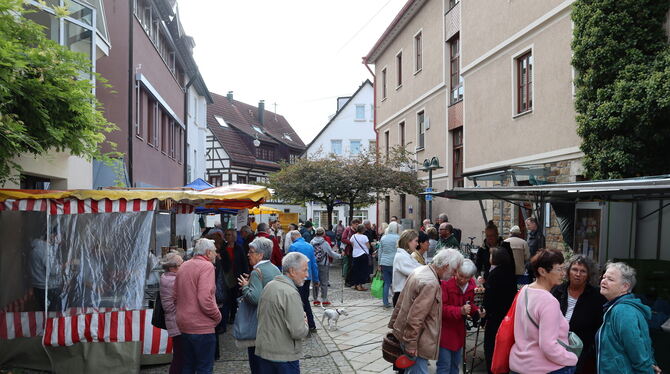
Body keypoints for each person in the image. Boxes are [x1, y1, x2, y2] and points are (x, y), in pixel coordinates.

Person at [389, 248, 464, 374]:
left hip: (411, 336)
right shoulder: (430, 283)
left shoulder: (422, 270)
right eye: (454, 270)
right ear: (446, 266)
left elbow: (403, 303)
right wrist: (411, 343)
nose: (455, 275)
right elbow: (416, 317)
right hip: (417, 340)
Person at [509, 249, 578, 374]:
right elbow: (548, 346)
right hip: (544, 368)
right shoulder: (549, 301)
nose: (563, 273)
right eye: (559, 269)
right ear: (542, 271)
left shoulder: (524, 290)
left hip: (519, 364)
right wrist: (572, 358)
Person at [597, 262, 661, 374]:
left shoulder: (622, 311)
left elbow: (637, 352)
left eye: (610, 279)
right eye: (604, 277)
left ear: (625, 287)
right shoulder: (618, 308)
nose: (603, 281)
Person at [255, 252, 310, 373]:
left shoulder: (269, 286)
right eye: (305, 270)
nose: (307, 275)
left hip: (265, 351)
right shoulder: (290, 293)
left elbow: (260, 315)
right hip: (284, 356)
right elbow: (298, 331)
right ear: (292, 271)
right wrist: (305, 323)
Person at [551, 255, 606, 374]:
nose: (578, 274)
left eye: (583, 271)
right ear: (568, 271)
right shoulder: (557, 290)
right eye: (574, 269)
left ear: (589, 275)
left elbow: (599, 325)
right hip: (556, 345)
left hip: (582, 349)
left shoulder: (596, 296)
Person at [175, 238, 221, 374]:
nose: (216, 254)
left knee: (188, 366)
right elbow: (205, 299)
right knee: (204, 368)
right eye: (214, 251)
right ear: (207, 253)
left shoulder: (184, 265)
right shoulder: (207, 267)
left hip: (184, 323)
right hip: (201, 326)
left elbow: (174, 295)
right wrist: (217, 316)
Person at [236, 237, 282, 374]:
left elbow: (255, 299)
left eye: (251, 251)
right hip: (273, 323)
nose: (248, 254)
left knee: (258, 365)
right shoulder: (274, 268)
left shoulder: (257, 272)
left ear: (260, 255)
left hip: (259, 325)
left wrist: (245, 287)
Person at [438, 259, 482, 374]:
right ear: (455, 271)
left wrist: (477, 311)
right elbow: (441, 308)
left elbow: (470, 304)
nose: (462, 280)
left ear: (471, 276)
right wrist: (460, 310)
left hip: (459, 330)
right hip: (445, 330)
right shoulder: (446, 283)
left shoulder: (472, 285)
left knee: (456, 365)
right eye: (460, 275)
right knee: (444, 365)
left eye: (466, 277)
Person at [482, 246, 517, 374]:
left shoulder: (494, 274)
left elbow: (489, 298)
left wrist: (483, 317)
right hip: (507, 315)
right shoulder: (510, 272)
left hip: (495, 316)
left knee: (491, 346)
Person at [287, 230, 319, 332]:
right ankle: (311, 324)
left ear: (293, 238)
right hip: (307, 277)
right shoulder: (309, 246)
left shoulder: (293, 247)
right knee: (305, 300)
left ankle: (299, 325)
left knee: (297, 301)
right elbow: (314, 263)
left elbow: (289, 264)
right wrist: (316, 279)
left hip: (296, 277)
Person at [160, 251, 184, 374]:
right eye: (181, 264)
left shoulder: (168, 277)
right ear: (172, 268)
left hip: (175, 320)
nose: (184, 266)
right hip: (177, 321)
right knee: (180, 357)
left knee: (179, 356)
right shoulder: (172, 281)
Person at [219, 229, 249, 326]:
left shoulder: (239, 248)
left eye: (229, 235)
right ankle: (225, 316)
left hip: (236, 274)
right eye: (226, 235)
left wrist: (245, 274)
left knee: (234, 297)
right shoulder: (223, 247)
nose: (227, 237)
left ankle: (232, 316)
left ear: (234, 236)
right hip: (225, 275)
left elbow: (244, 262)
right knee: (226, 297)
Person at [310, 227, 341, 306]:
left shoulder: (311, 242)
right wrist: (340, 256)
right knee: (324, 282)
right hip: (323, 264)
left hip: (314, 265)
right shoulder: (325, 243)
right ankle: (324, 299)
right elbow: (331, 253)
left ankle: (316, 299)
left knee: (315, 282)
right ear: (323, 233)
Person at [392, 230, 421, 307]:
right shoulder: (401, 257)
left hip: (405, 294)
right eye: (416, 241)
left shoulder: (407, 255)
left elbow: (418, 266)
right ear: (408, 241)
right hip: (402, 295)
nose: (417, 244)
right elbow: (416, 272)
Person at [378, 222, 400, 308]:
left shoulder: (383, 238)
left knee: (386, 283)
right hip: (395, 262)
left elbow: (380, 252)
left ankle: (385, 302)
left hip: (384, 262)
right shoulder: (398, 237)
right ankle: (396, 301)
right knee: (396, 283)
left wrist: (379, 263)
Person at [350, 224, 371, 291]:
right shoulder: (364, 237)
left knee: (356, 270)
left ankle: (356, 284)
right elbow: (368, 246)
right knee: (363, 270)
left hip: (355, 254)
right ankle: (360, 285)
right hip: (363, 255)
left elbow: (352, 245)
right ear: (363, 230)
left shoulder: (353, 236)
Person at [341, 219, 360, 286]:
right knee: (350, 266)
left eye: (358, 224)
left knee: (354, 266)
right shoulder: (348, 230)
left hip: (356, 250)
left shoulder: (358, 230)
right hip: (349, 250)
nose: (357, 226)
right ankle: (347, 281)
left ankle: (353, 280)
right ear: (352, 224)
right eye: (356, 224)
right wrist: (351, 242)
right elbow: (343, 239)